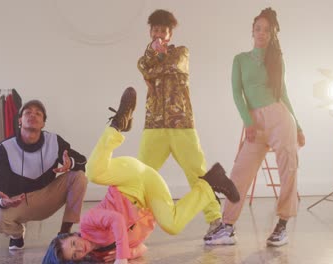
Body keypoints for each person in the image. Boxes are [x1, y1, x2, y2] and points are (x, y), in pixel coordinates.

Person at [42, 87, 240, 264]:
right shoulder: (101, 255)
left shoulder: (88, 223)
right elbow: (143, 248)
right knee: (172, 226)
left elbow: (117, 221)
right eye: (75, 254)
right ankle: (213, 181)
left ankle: (118, 125)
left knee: (93, 172)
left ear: (72, 235)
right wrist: (128, 252)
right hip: (148, 195)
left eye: (73, 243)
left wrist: (121, 256)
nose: (79, 248)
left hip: (129, 180)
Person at [204, 7, 306, 247]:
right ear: (252, 31)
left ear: (272, 35)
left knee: (288, 170)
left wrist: (298, 126)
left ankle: (282, 225)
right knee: (241, 170)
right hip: (256, 123)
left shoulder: (276, 59)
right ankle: (227, 226)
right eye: (258, 29)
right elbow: (237, 94)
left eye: (266, 30)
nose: (261, 33)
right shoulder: (240, 59)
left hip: (281, 119)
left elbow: (284, 94)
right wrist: (249, 123)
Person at [136, 9, 223, 237]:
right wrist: (150, 62)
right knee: (140, 174)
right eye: (155, 30)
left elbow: (167, 66)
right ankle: (127, 220)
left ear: (170, 34)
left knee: (197, 174)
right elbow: (142, 66)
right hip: (154, 125)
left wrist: (152, 68)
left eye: (163, 31)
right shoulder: (147, 56)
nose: (159, 34)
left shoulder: (181, 53)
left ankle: (217, 222)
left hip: (181, 123)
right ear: (150, 32)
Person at [0, 99, 88, 250]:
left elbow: (84, 162)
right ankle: (17, 235)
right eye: (28, 112)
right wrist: (3, 201)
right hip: (19, 201)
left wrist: (70, 163)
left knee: (79, 176)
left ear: (43, 123)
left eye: (38, 113)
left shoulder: (54, 141)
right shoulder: (6, 148)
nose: (33, 115)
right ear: (20, 120)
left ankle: (64, 233)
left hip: (48, 196)